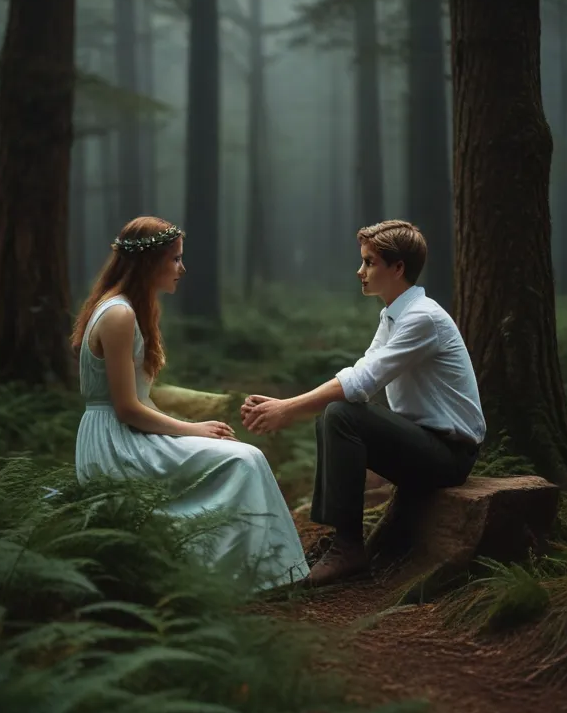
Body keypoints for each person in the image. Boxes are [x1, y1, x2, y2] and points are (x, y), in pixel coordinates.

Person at [241, 220, 485, 588]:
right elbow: (360, 374)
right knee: (334, 414)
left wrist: (287, 409)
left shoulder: (423, 319)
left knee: (341, 414)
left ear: (398, 268)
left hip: (449, 456)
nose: (361, 271)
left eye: (369, 262)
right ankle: (340, 540)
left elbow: (360, 384)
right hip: (423, 443)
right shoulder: (393, 316)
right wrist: (286, 404)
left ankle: (348, 551)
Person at [71, 216, 309, 590]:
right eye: (175, 259)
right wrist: (192, 429)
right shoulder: (118, 314)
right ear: (150, 262)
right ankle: (254, 576)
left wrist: (185, 434)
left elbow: (139, 402)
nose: (182, 268)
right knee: (243, 460)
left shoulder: (127, 308)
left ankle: (263, 572)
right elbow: (126, 407)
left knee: (246, 457)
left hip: (124, 433)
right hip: (114, 444)